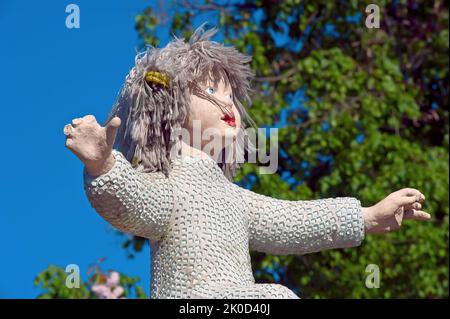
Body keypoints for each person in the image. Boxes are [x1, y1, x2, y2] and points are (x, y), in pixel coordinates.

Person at [63, 24, 430, 299]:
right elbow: (135, 201)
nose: (229, 107)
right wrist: (104, 166)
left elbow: (290, 221)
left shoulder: (234, 197)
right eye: (210, 91)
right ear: (168, 100)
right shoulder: (171, 185)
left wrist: (366, 217)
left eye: (231, 95)